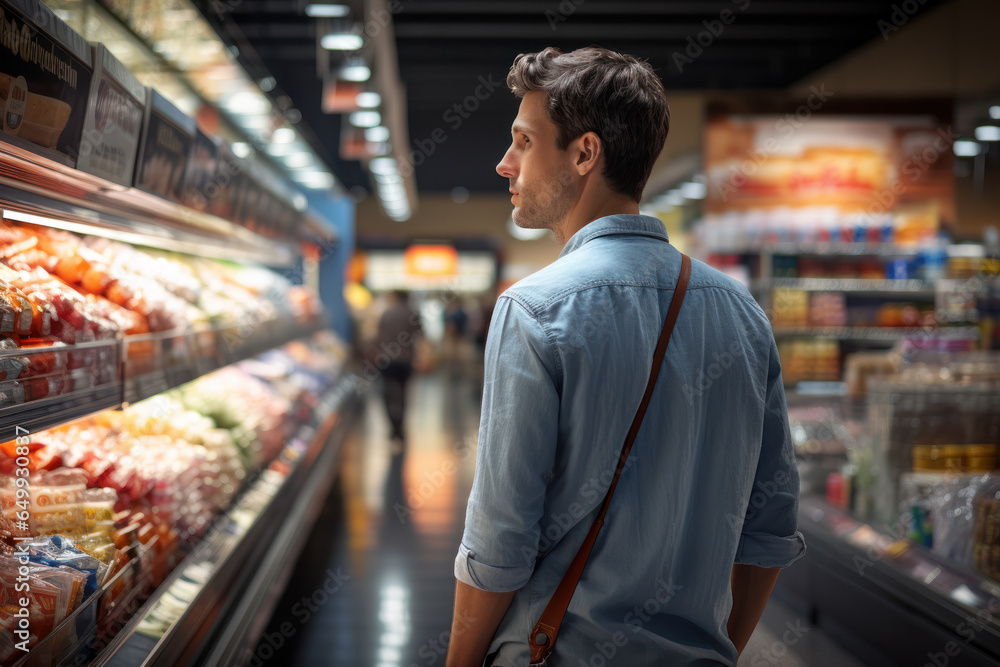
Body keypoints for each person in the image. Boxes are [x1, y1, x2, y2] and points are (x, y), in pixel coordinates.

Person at [447, 47, 805, 666]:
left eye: (525, 143)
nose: (506, 164)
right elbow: (768, 529)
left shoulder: (533, 310)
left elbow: (499, 542)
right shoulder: (742, 314)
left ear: (584, 154)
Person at [374, 290, 422, 453]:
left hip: (387, 359)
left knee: (387, 394)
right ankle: (400, 429)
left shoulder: (386, 314)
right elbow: (420, 335)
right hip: (406, 360)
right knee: (403, 394)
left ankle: (393, 428)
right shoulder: (413, 313)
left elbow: (378, 337)